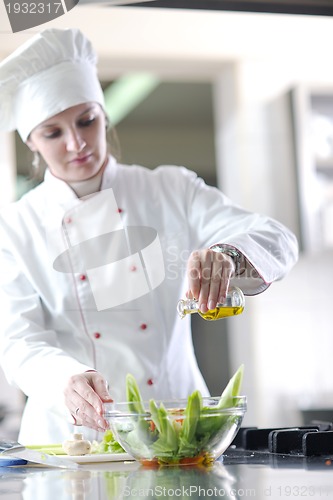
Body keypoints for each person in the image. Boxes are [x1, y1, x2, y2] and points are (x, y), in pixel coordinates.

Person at [0, 28, 298, 444]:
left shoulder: (170, 189)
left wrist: (229, 255)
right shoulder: (15, 226)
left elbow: (277, 238)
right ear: (32, 142)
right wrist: (63, 379)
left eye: (87, 120)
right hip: (74, 437)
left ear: (104, 116)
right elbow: (18, 341)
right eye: (53, 133)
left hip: (178, 425)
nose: (77, 142)